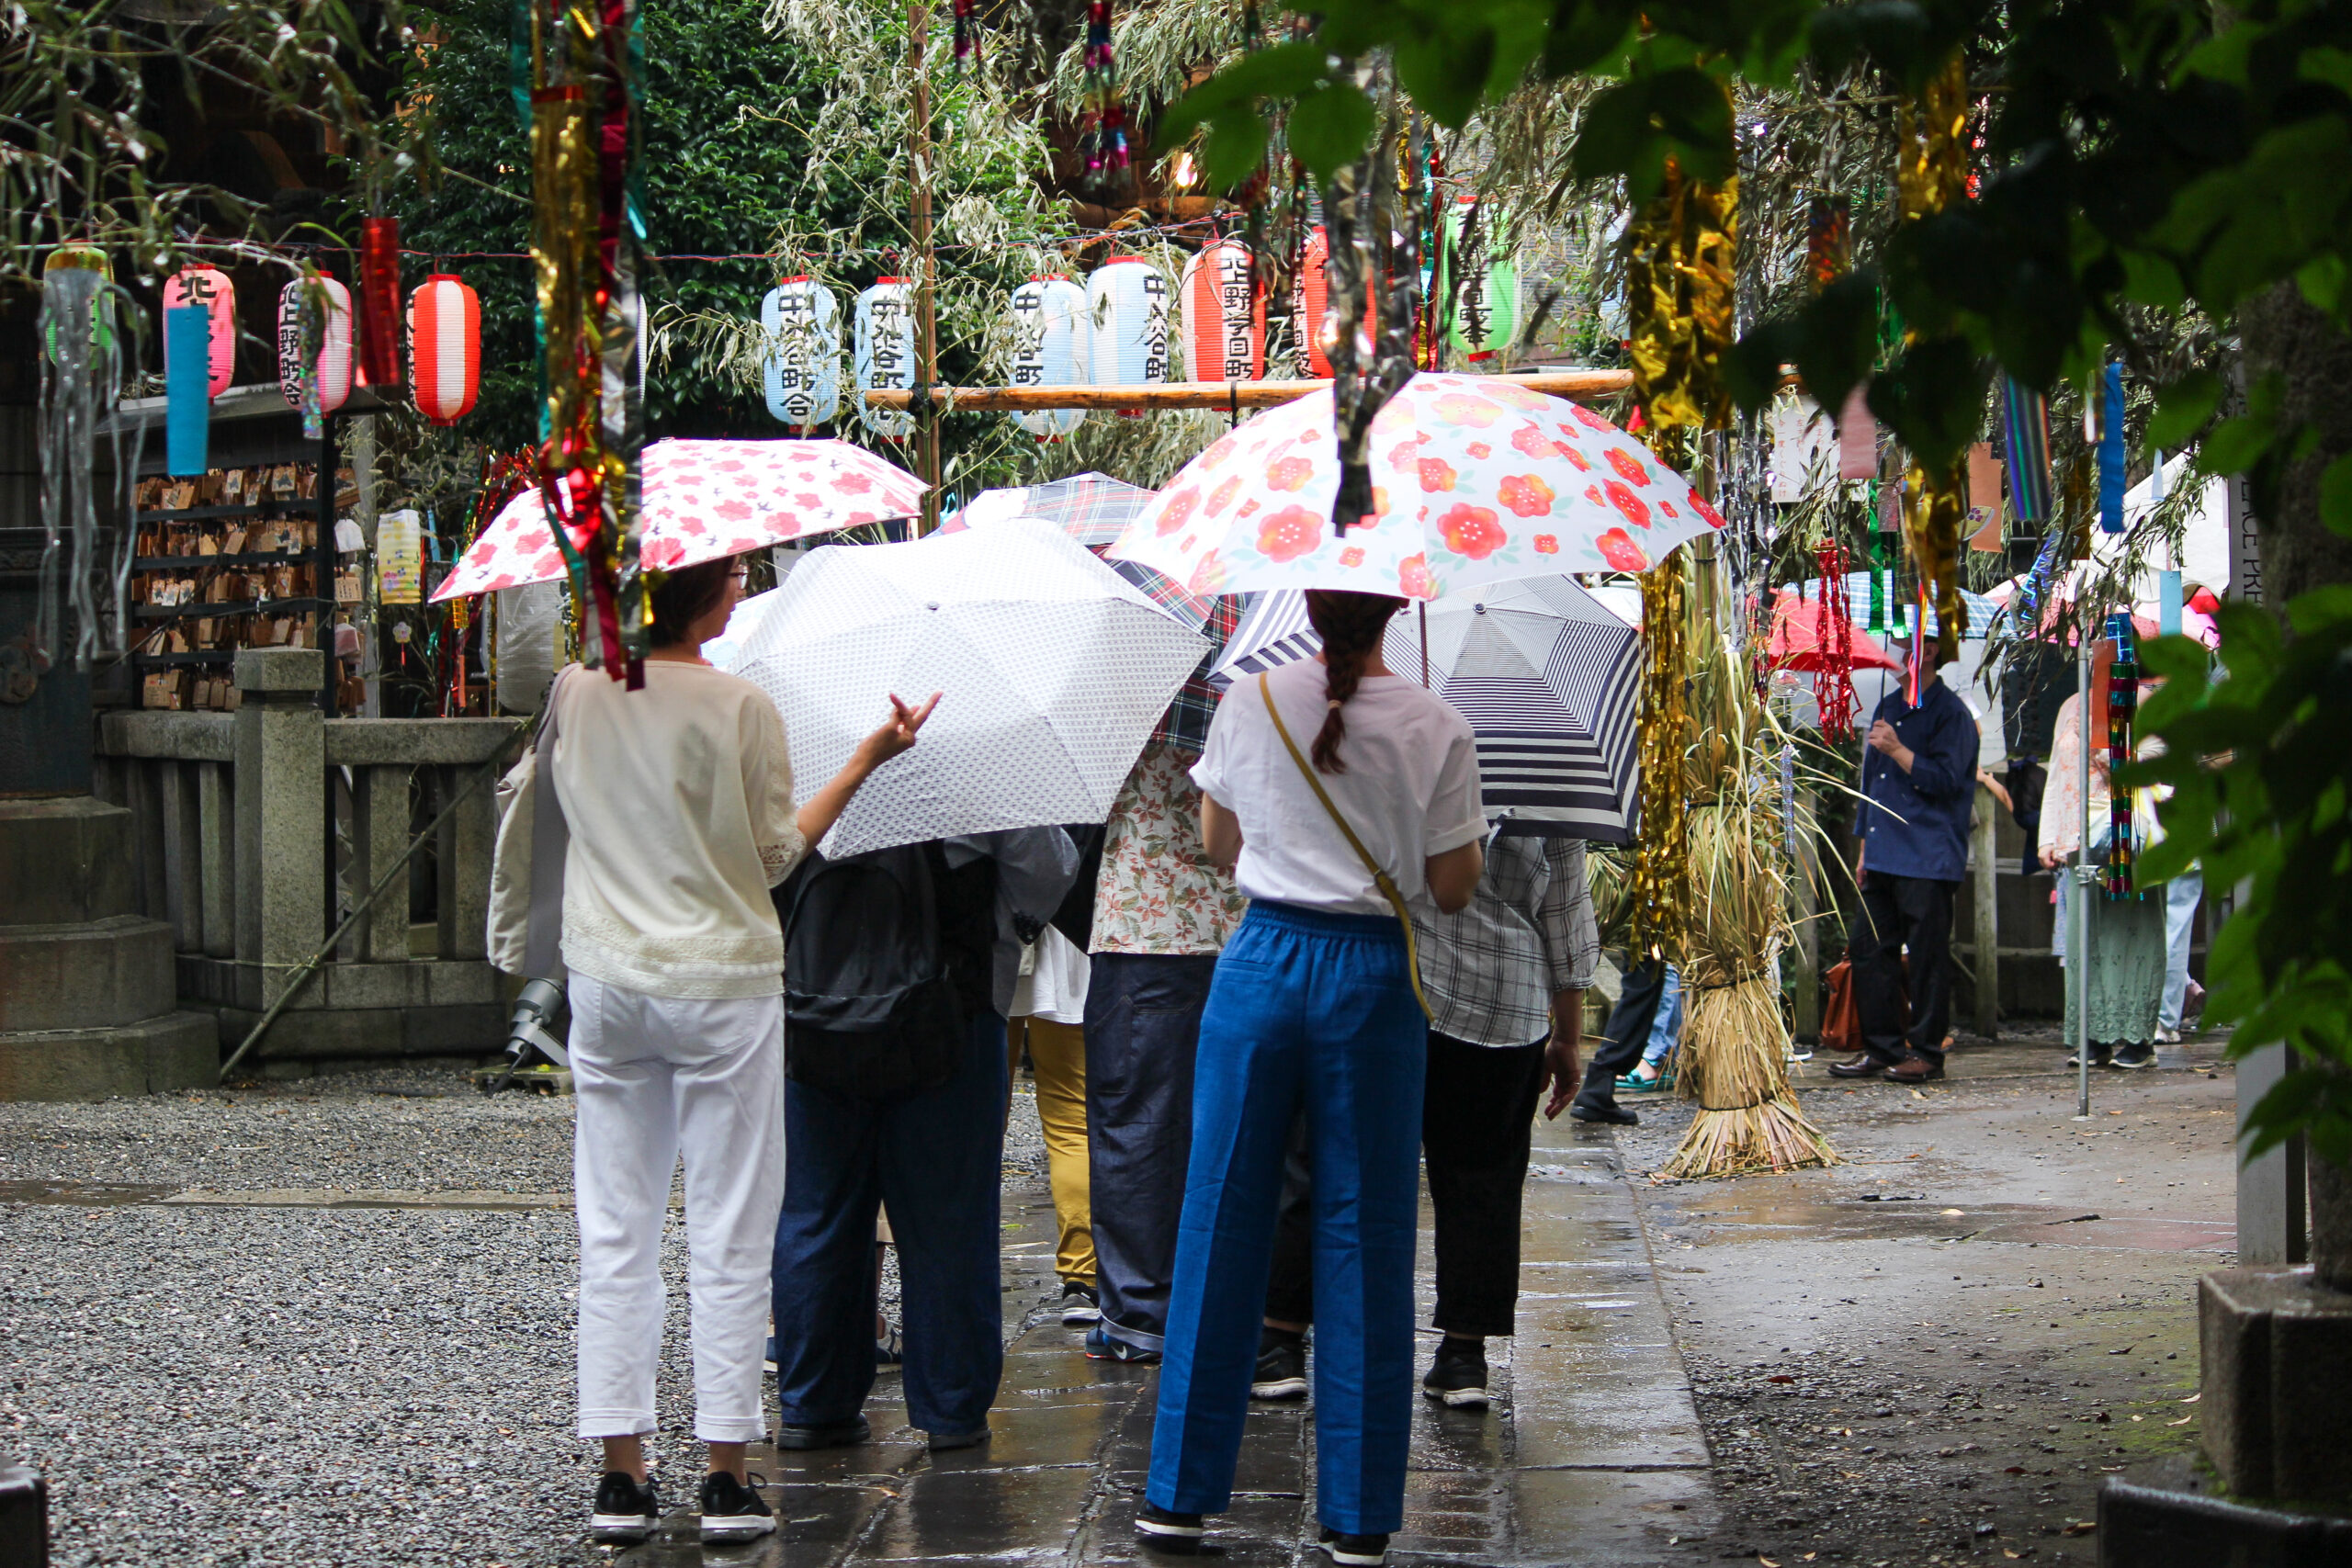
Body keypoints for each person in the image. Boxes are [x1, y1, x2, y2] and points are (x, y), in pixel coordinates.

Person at [548, 554, 935, 1545]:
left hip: (607, 976)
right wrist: (864, 759)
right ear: (703, 599)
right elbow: (773, 857)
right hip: (721, 981)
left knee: (616, 1224)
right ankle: (726, 1472)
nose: (742, 589)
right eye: (732, 580)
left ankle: (622, 1477)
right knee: (728, 1223)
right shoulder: (738, 705)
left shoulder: (576, 692)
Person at [1136, 590, 1486, 1568]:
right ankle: (1359, 1517)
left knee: (1220, 1215)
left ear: (1308, 605)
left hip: (1259, 965)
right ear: (1394, 612)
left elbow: (1217, 847)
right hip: (1371, 978)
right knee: (1364, 1229)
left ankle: (1176, 1496)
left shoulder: (1246, 699)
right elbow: (1453, 891)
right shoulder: (1437, 724)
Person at [1252, 832, 1596, 1415]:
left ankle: (1280, 1340)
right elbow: (1564, 915)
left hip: (1380, 981)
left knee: (1325, 1156)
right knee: (1482, 1179)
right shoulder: (1546, 759)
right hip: (1501, 1000)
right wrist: (1567, 1035)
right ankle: (1464, 1356)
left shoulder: (1389, 745)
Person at [769, 824, 1076, 1453]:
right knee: (949, 1216)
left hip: (811, 1003)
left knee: (815, 1206)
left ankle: (815, 1403)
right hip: (950, 1006)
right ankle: (951, 1406)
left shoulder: (797, 744)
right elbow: (1047, 869)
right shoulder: (974, 745)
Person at [1082, 608, 1250, 1366]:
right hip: (1242, 926)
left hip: (1140, 928)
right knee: (1230, 1124)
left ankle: (1139, 1310)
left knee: (1136, 1124)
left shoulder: (1116, 683)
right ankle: (1228, 1299)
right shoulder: (1256, 680)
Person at [1831, 651, 1979, 1084]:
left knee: (1928, 955)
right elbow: (1870, 783)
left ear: (1928, 651)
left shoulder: (1952, 714)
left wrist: (1898, 750)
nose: (1896, 654)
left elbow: (1948, 781)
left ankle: (1928, 1052)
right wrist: (1863, 851)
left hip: (1927, 853)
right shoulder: (1888, 705)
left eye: (1905, 643)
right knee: (1868, 948)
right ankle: (1882, 1047)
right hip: (1882, 851)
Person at [2041, 689, 2165, 1067]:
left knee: (2133, 934)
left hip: (2129, 830)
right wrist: (2049, 834)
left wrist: (2117, 758)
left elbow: (2163, 762)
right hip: (2080, 836)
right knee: (2085, 937)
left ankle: (2139, 1037)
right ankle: (2092, 1035)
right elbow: (2057, 770)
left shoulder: (2145, 700)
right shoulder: (2071, 704)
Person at [1007, 919, 1098, 1324]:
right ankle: (1082, 1279)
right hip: (1063, 941)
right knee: (1071, 1124)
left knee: (975, 1126)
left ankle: (960, 1273)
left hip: (990, 944)